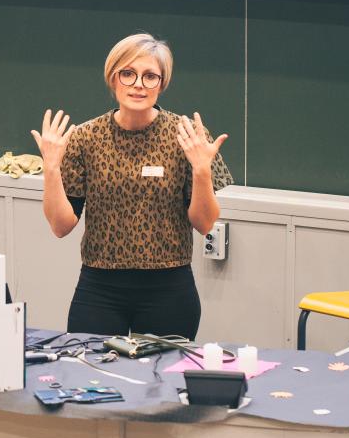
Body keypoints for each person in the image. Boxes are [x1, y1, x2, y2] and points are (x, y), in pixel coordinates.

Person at [31, 33, 233, 340]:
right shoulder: (85, 137)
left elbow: (205, 224)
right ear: (113, 79)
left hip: (169, 289)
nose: (138, 84)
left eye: (150, 76)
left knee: (163, 371)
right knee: (91, 369)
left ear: (162, 84)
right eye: (128, 73)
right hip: (99, 288)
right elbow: (61, 226)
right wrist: (51, 168)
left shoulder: (187, 136)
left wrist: (202, 171)